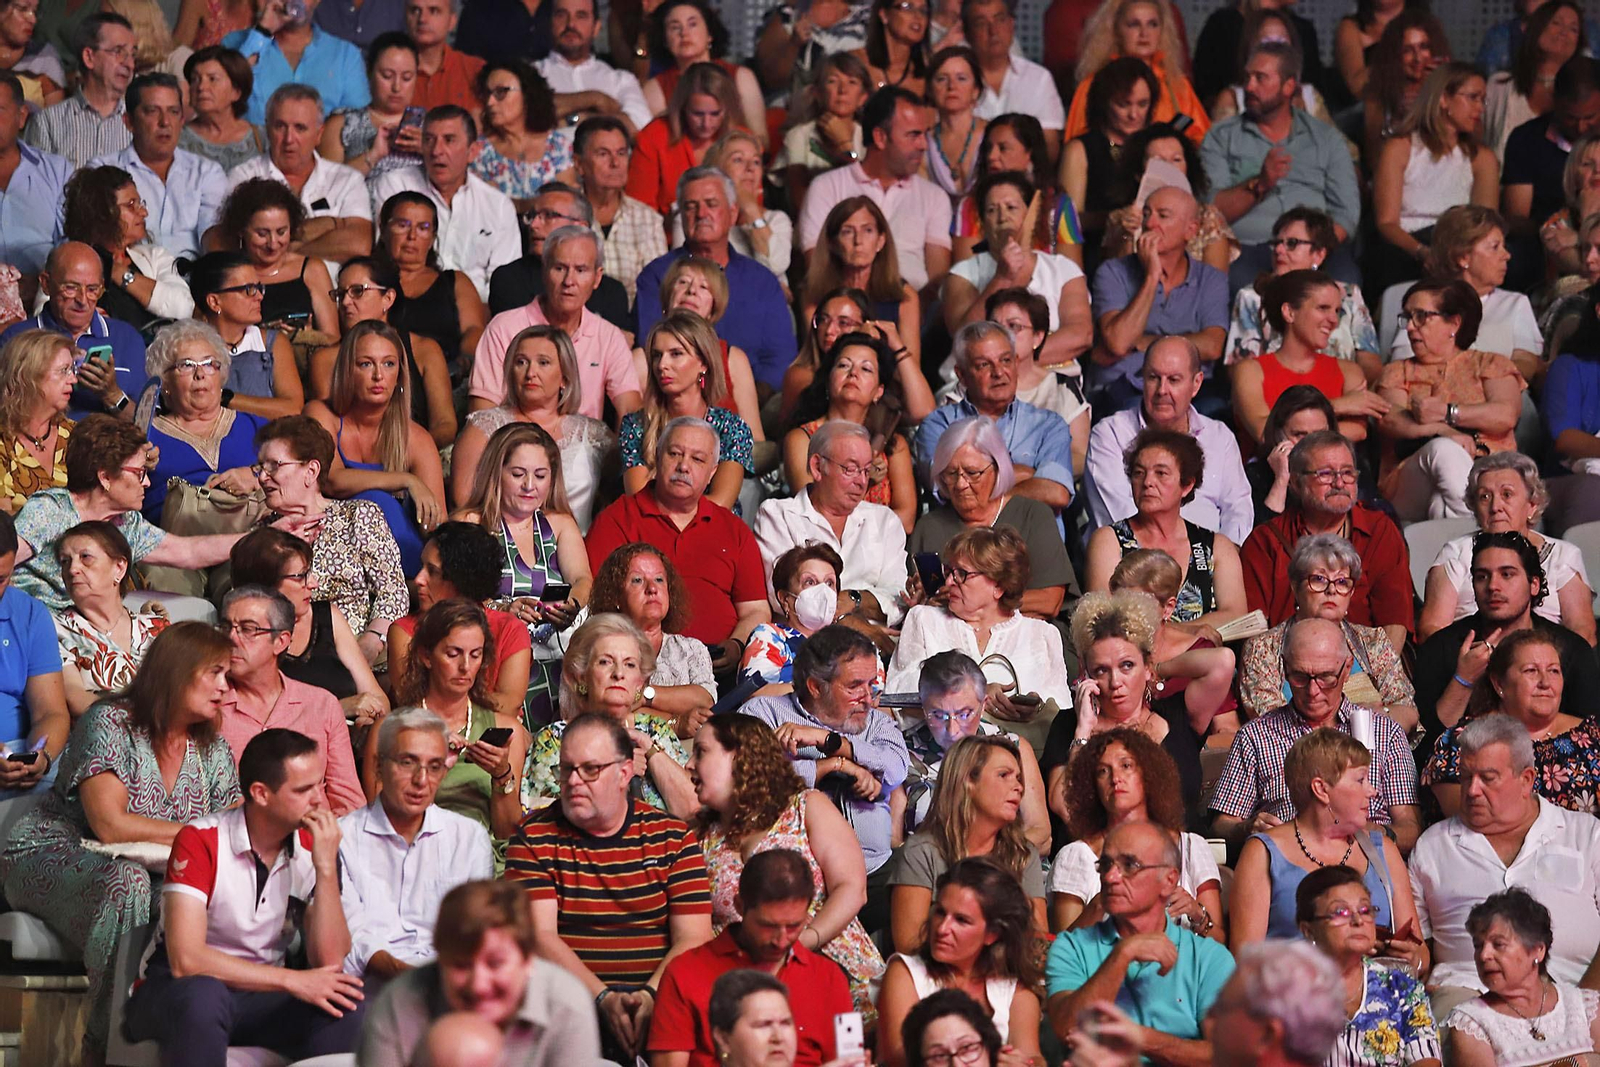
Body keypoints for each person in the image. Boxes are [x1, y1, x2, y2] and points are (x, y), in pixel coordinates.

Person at [0, 622, 230, 1058]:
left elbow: (233, 829)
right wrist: (199, 833)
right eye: (214, 673)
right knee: (128, 885)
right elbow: (110, 825)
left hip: (148, 867)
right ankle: (106, 1047)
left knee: (192, 897)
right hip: (53, 852)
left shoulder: (212, 748)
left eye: (228, 675)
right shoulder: (110, 722)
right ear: (177, 671)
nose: (225, 687)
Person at [120, 729, 364, 1063]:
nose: (319, 800)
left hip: (260, 995)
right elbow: (186, 960)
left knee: (348, 1008)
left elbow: (330, 961)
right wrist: (292, 981)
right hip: (175, 990)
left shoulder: (315, 846)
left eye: (318, 785)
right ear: (261, 794)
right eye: (303, 790)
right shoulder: (202, 840)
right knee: (205, 997)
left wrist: (325, 870)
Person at [505, 711, 715, 1062]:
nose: (573, 781)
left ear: (624, 773)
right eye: (566, 769)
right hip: (568, 1007)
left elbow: (694, 938)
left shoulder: (673, 838)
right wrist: (603, 999)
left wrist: (649, 997)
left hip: (663, 1004)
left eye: (590, 770)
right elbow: (538, 938)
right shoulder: (533, 838)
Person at [686, 718, 883, 1019]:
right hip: (757, 998)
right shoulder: (698, 841)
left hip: (841, 976)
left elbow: (852, 889)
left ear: (739, 756)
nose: (689, 764)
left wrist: (804, 941)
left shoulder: (805, 807)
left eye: (700, 752)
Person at [1410, 714, 1600, 1019]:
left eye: (1487, 778)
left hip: (1574, 992)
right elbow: (1418, 948)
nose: (1472, 790)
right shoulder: (1432, 847)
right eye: (1465, 777)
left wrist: (1586, 1008)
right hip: (1466, 997)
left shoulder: (1586, 835)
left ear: (1526, 780)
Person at [12, 415, 300, 611]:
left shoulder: (125, 522)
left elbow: (188, 552)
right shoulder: (51, 510)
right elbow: (4, 561)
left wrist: (264, 537)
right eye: (139, 473)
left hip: (88, 619)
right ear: (105, 477)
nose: (148, 483)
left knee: (197, 614)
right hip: (37, 620)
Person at [740, 625, 911, 926]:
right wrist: (829, 767)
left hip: (875, 871)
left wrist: (831, 742)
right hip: (797, 880)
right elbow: (750, 777)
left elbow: (896, 767)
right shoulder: (764, 713)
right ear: (816, 687)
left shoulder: (875, 723)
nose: (868, 698)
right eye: (855, 686)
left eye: (871, 684)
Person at [1210, 617, 1422, 855]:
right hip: (1287, 861)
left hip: (1368, 859)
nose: (1313, 691)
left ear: (1347, 669)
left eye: (1326, 677)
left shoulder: (1384, 732)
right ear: (1284, 668)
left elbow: (1411, 829)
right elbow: (1221, 826)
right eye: (1299, 677)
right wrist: (1249, 829)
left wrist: (1376, 834)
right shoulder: (1256, 736)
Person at [1229, 729, 1425, 969]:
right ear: (1321, 790)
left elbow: (1421, 955)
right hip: (1293, 989)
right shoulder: (1262, 853)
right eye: (1361, 780)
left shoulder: (1383, 849)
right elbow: (1245, 961)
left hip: (1376, 988)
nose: (1372, 791)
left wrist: (1414, 958)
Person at [648, 848, 857, 1067]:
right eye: (768, 926)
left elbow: (849, 1062)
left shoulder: (828, 977)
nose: (781, 940)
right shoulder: (684, 973)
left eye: (794, 926)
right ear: (739, 906)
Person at [1043, 820, 1235, 1056]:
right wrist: (1123, 954)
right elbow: (1066, 1028)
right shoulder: (1071, 947)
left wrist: (1139, 1038)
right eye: (1105, 864)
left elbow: (1226, 1056)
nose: (1111, 876)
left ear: (1169, 880)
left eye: (1129, 865)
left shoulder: (1210, 958)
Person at [359, 878, 600, 1064]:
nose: (478, 985)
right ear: (440, 960)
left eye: (495, 964)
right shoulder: (398, 1003)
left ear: (528, 960)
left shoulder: (566, 1005)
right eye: (461, 965)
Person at [587, 416, 769, 654]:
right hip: (640, 661)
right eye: (674, 454)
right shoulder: (617, 519)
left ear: (712, 472)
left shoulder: (734, 529)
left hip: (722, 665)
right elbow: (596, 604)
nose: (683, 466)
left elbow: (756, 610)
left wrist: (737, 646)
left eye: (697, 459)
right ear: (657, 457)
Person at [338, 708, 494, 980]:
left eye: (434, 767)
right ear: (378, 766)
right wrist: (407, 976)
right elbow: (349, 938)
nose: (421, 780)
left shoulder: (469, 838)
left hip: (451, 985)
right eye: (407, 763)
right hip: (369, 987)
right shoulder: (342, 838)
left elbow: (474, 932)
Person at [453, 421, 592, 721]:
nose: (530, 485)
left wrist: (571, 604)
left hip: (556, 659)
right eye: (518, 474)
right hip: (494, 659)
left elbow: (582, 579)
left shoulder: (560, 524)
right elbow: (450, 597)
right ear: (496, 473)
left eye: (540, 475)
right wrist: (503, 609)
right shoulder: (470, 523)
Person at [1411, 530, 1600, 750]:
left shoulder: (1570, 649)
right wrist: (1463, 680)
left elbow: (1592, 735)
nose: (1493, 586)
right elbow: (1424, 747)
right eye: (1482, 576)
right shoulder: (1442, 647)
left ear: (1534, 584)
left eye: (1507, 574)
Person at [1041, 590, 1214, 826]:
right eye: (1101, 670)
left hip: (1179, 844)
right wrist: (1083, 731)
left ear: (1147, 666)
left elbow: (1222, 661)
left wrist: (1161, 669)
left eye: (1127, 665)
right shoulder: (1069, 724)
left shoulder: (1174, 715)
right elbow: (1064, 806)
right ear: (1086, 673)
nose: (1115, 682)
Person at [1202, 41, 1363, 289]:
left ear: (1288, 86)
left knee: (1345, 281)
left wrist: (1312, 248)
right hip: (1249, 248)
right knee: (1239, 283)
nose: (1249, 87)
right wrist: (1260, 184)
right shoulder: (1221, 137)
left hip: (1316, 249)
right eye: (1247, 78)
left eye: (1260, 78)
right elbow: (1211, 210)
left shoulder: (1325, 138)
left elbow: (1346, 213)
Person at [1240, 430, 1414, 652]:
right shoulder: (1266, 540)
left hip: (1363, 664)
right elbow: (1252, 629)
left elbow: (1395, 620)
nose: (1339, 483)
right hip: (1285, 664)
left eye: (1347, 473)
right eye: (1325, 474)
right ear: (1295, 482)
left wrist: (1375, 671)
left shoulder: (1379, 530)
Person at [253, 416, 406, 663]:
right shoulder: (262, 533)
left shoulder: (357, 515)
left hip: (361, 652)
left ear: (311, 471)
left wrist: (370, 643)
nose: (262, 477)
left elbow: (393, 592)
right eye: (260, 467)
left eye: (274, 466)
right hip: (288, 660)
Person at [1048, 728, 1224, 941]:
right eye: (1103, 771)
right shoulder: (1076, 856)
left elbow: (1219, 943)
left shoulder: (1191, 847)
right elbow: (1061, 950)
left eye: (1126, 766)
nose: (1115, 778)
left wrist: (1197, 915)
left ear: (1148, 774)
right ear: (1093, 786)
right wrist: (1099, 905)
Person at [637, 167, 799, 393]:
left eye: (711, 204)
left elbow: (779, 359)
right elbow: (650, 348)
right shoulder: (657, 275)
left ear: (733, 213)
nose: (701, 214)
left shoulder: (762, 281)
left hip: (754, 399)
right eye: (691, 206)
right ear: (681, 217)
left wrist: (745, 402)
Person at [304, 318, 446, 574]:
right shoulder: (321, 414)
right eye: (366, 364)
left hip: (402, 560)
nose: (378, 376)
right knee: (376, 500)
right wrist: (407, 480)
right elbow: (331, 480)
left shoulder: (417, 438)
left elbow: (437, 528)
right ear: (347, 370)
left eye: (388, 364)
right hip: (336, 554)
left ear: (399, 374)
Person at [887, 527, 1071, 724]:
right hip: (939, 740)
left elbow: (1062, 710)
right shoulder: (924, 620)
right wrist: (978, 694)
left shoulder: (1042, 635)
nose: (949, 582)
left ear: (999, 586)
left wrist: (1037, 708)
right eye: (949, 571)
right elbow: (898, 696)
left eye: (961, 574)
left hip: (1020, 740)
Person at [1083, 334, 1253, 545]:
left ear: (1196, 383)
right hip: (1135, 560)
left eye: (1173, 380)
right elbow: (1119, 523)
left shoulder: (1220, 437)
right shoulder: (1110, 434)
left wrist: (1222, 556)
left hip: (1212, 558)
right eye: (1153, 378)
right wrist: (1178, 557)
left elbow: (1238, 509)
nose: (1162, 390)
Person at [521, 613, 696, 817]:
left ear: (639, 682)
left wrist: (650, 749)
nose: (619, 673)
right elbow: (548, 825)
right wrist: (614, 775)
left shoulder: (654, 730)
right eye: (605, 662)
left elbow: (694, 811)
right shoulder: (553, 741)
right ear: (580, 676)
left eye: (630, 664)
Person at [888, 736, 1048, 952]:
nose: (1019, 787)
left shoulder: (1023, 853)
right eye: (1004, 775)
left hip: (1006, 970)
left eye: (1018, 778)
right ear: (967, 781)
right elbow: (910, 946)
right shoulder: (922, 852)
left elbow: (1037, 942)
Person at [1239, 534, 1417, 728]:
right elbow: (1272, 726)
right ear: (1295, 587)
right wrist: (1358, 723)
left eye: (1342, 582)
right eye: (1319, 579)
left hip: (1372, 745)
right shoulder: (1262, 649)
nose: (1331, 590)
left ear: (1351, 592)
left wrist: (1380, 716)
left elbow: (1407, 711)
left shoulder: (1374, 641)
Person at [879, 858, 1044, 1067]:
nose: (942, 928)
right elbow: (899, 1056)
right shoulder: (905, 972)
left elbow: (1033, 1056)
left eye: (961, 920)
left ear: (992, 934)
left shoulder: (1015, 989)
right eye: (940, 912)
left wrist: (1023, 1064)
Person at [471, 225, 641, 423]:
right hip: (516, 438)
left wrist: (626, 444)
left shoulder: (608, 336)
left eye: (581, 270)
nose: (569, 281)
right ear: (544, 272)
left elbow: (630, 411)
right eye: (559, 268)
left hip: (586, 441)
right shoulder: (503, 328)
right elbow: (482, 416)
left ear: (597, 278)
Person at [393, 598, 530, 845]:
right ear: (426, 656)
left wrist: (502, 775)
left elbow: (507, 834)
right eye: (453, 654)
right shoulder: (394, 731)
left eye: (475, 655)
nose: (465, 667)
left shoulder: (506, 729)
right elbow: (384, 827)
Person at [217, 586, 363, 815]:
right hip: (235, 832)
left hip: (315, 833)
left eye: (248, 629)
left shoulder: (321, 705)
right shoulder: (208, 705)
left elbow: (350, 804)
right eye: (226, 627)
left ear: (281, 641)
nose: (232, 638)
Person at [1421, 452, 1596, 643]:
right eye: (1484, 497)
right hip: (1470, 654)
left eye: (1507, 494)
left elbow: (1583, 633)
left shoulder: (1563, 555)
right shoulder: (1456, 552)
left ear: (1532, 505)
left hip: (1546, 655)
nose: (1495, 506)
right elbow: (1432, 630)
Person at [1084, 427, 1247, 631]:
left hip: (1204, 653)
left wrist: (1171, 634)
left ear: (1187, 485)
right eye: (1138, 473)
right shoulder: (1110, 540)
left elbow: (1237, 616)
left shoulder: (1216, 546)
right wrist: (1181, 635)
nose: (1147, 482)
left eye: (1161, 473)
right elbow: (1102, 619)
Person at [1424, 628, 1600, 816]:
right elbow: (1473, 818)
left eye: (1554, 671)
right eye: (1531, 670)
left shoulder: (1592, 737)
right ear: (1499, 683)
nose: (1545, 682)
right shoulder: (1462, 741)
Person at [911, 415, 1073, 620]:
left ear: (997, 469)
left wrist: (979, 604)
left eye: (972, 473)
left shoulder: (1033, 515)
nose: (960, 484)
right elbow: (929, 601)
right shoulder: (929, 527)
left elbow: (1050, 601)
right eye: (951, 473)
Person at [799, 87, 955, 299]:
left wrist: (907, 313)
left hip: (912, 308)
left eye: (925, 134)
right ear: (880, 137)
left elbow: (937, 282)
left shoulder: (934, 196)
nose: (924, 145)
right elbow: (817, 269)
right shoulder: (826, 187)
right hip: (845, 307)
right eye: (913, 135)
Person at [451, 328, 612, 530]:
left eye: (543, 362)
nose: (530, 373)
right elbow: (464, 507)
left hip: (580, 543)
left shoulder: (594, 434)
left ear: (564, 377)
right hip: (499, 544)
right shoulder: (483, 426)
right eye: (521, 362)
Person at [917, 322, 1076, 521]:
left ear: (1016, 363)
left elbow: (1056, 492)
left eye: (1006, 360)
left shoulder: (1049, 426)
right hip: (965, 538)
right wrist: (1028, 474)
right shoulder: (939, 425)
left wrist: (980, 485)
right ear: (962, 375)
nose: (998, 372)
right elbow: (946, 486)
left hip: (1032, 537)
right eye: (984, 364)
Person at [1089, 186, 1229, 411]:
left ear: (1190, 230)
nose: (1150, 224)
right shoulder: (1113, 272)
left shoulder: (1210, 279)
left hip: (1190, 392)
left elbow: (1212, 346)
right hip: (1123, 387)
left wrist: (1144, 342)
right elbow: (1119, 342)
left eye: (1163, 216)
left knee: (1215, 410)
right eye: (1146, 214)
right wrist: (1152, 276)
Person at [229, 527, 389, 722]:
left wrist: (369, 718)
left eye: (309, 573)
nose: (313, 583)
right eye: (300, 577)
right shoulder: (243, 638)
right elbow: (259, 720)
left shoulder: (328, 617)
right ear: (266, 585)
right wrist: (338, 709)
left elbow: (377, 697)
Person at [757, 419, 909, 623]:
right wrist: (853, 623)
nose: (862, 481)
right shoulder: (778, 516)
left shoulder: (885, 521)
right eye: (851, 469)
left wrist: (854, 599)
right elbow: (783, 597)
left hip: (877, 639)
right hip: (806, 638)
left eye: (866, 470)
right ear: (818, 467)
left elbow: (899, 598)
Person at [1370, 62, 1499, 298]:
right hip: (1409, 244)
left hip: (1458, 244)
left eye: (1483, 100)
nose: (1480, 108)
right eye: (1473, 98)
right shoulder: (1400, 148)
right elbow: (1387, 223)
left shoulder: (1482, 158)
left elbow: (1485, 224)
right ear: (1443, 99)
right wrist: (1422, 252)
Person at [943, 172, 1092, 374]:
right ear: (983, 223)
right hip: (983, 379)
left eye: (1011, 207)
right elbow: (964, 338)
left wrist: (1016, 362)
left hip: (1054, 378)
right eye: (992, 210)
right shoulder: (963, 273)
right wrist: (1002, 278)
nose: (1002, 217)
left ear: (1030, 215)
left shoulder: (1063, 269)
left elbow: (1081, 335)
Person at [1296, 865, 1443, 1067]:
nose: (1358, 920)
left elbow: (1427, 1061)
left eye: (1365, 910)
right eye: (1340, 912)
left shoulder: (1402, 988)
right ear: (1308, 930)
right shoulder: (1284, 992)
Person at [370, 107, 521, 303]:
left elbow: (504, 284)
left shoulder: (498, 206)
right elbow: (385, 256)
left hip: (478, 307)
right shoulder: (395, 185)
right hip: (408, 299)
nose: (436, 151)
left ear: (472, 152)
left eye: (449, 140)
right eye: (429, 140)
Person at [383, 522, 530, 722]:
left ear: (461, 580)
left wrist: (449, 705)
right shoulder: (404, 631)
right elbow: (414, 703)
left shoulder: (510, 629)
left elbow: (509, 704)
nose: (418, 579)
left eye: (432, 571)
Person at [221, 85, 375, 270]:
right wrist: (328, 226)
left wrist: (289, 250)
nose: (289, 139)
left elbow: (359, 244)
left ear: (319, 134)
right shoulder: (243, 176)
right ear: (267, 129)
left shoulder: (347, 180)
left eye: (300, 128)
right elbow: (232, 244)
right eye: (280, 126)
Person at [308, 256, 456, 448]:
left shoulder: (425, 350)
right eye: (341, 294)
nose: (345, 302)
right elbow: (328, 426)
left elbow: (445, 424)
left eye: (357, 291)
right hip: (350, 456)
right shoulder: (325, 359)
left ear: (388, 298)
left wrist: (410, 451)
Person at [1231, 271, 1385, 451]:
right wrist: (1338, 405)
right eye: (1323, 308)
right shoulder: (1250, 370)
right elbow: (1264, 433)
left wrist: (1292, 432)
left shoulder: (1349, 371)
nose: (1334, 320)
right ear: (1289, 312)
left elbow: (1357, 431)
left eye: (1337, 311)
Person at [1388, 208, 1543, 385]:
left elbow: (1526, 363)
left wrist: (1481, 384)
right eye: (1495, 247)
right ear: (1463, 257)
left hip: (1498, 393)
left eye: (1504, 246)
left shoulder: (1515, 303)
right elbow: (1402, 362)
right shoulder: (1423, 303)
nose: (1507, 255)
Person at [1446, 888, 1600, 1065]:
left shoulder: (1584, 1006)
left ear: (1538, 950)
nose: (1484, 955)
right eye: (1478, 945)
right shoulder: (1471, 1022)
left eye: (1498, 944)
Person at [1226, 207, 1382, 380]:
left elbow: (1371, 363)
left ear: (1319, 254)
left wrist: (1349, 385)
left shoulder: (1349, 295)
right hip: (1278, 391)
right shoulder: (1252, 296)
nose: (1279, 250)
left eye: (1292, 243)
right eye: (1276, 243)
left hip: (1343, 388)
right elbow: (1240, 371)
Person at [0, 242, 147, 422]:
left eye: (92, 290)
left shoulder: (127, 338)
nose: (82, 300)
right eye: (71, 288)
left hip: (112, 438)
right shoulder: (16, 339)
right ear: (46, 284)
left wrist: (113, 395)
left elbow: (146, 425)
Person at [90, 72, 227, 264]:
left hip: (196, 276)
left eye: (173, 111)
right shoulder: (102, 171)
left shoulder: (207, 172)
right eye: (152, 111)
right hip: (128, 274)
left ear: (182, 120)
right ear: (129, 122)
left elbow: (213, 233)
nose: (165, 122)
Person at [785, 333, 917, 531]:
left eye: (866, 369)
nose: (853, 373)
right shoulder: (802, 439)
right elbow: (813, 512)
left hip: (881, 548)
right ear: (829, 380)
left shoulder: (893, 445)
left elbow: (906, 520)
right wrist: (864, 483)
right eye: (843, 365)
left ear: (879, 391)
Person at [624, 309, 753, 510]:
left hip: (712, 526)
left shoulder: (731, 427)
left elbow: (720, 504)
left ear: (703, 363)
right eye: (657, 355)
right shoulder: (636, 425)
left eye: (676, 354)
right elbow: (640, 502)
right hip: (651, 526)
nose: (662, 365)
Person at [585, 542, 713, 736]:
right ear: (615, 596)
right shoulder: (596, 648)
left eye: (659, 579)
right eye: (637, 580)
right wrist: (675, 722)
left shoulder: (691, 648)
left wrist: (644, 696)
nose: (652, 588)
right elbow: (605, 714)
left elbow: (705, 699)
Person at [800, 199, 926, 391]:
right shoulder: (814, 293)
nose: (858, 241)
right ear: (833, 243)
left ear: (880, 241)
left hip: (888, 392)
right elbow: (815, 359)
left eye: (867, 230)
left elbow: (910, 372)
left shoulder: (904, 296)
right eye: (847, 231)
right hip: (829, 389)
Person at [53, 519, 165, 716]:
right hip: (101, 728)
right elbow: (75, 696)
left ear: (119, 568)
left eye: (85, 557)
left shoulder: (155, 627)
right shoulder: (55, 629)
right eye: (65, 561)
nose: (72, 569)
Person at [61, 163, 194, 328]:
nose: (144, 212)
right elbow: (45, 316)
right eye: (131, 205)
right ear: (102, 213)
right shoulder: (65, 261)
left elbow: (184, 307)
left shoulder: (154, 256)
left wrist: (117, 271)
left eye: (140, 203)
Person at [487, 180, 633, 328]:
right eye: (532, 215)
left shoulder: (612, 293)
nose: (533, 225)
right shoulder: (509, 280)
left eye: (549, 215)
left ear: (580, 227)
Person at [1101, 121, 1238, 274]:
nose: (1168, 167)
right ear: (1138, 173)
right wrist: (1127, 234)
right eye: (1158, 161)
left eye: (1176, 160)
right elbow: (1116, 279)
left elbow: (1216, 281)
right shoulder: (1120, 219)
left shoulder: (1207, 218)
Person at [212, 176, 339, 336]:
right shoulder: (226, 274)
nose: (273, 244)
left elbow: (333, 339)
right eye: (262, 234)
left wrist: (307, 338)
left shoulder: (312, 269)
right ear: (241, 230)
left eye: (281, 232)